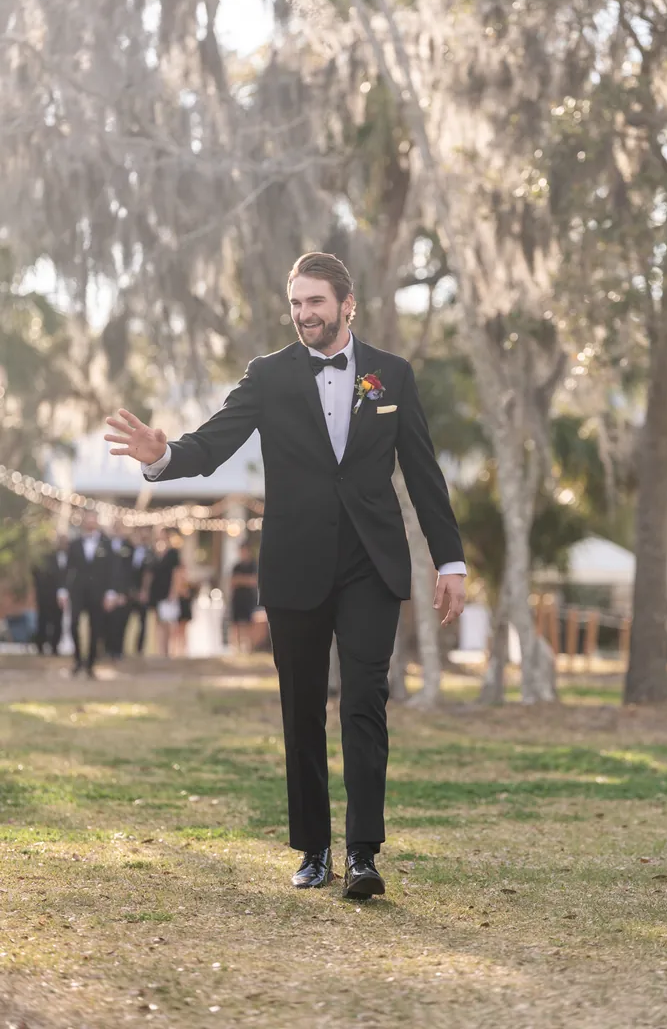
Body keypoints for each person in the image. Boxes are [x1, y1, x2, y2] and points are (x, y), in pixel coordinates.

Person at [105, 251, 466, 899]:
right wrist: (163, 458)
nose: (304, 315)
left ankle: (363, 854)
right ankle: (313, 850)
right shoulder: (268, 377)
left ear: (347, 304)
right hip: (295, 566)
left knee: (364, 702)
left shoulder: (391, 375)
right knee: (301, 709)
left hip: (369, 566)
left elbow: (422, 472)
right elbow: (215, 443)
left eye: (316, 303)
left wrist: (451, 560)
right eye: (296, 304)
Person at [58, 512, 118, 678]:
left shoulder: (106, 544)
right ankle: (78, 660)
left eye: (93, 521)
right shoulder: (75, 544)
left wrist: (111, 592)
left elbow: (112, 570)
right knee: (73, 624)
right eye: (87, 521)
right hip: (77, 591)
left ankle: (91, 663)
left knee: (96, 627)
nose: (90, 524)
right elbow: (67, 568)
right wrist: (62, 590)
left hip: (98, 593)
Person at [147, 530, 183, 657]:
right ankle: (160, 649)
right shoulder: (154, 553)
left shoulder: (173, 554)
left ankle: (167, 650)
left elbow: (177, 573)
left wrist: (174, 591)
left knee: (167, 621)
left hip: (167, 590)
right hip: (156, 591)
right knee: (158, 620)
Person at [32, 535, 68, 655]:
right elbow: (36, 573)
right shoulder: (47, 557)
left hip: (61, 596)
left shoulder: (71, 557)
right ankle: (40, 646)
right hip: (46, 595)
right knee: (43, 620)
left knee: (58, 621)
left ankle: (55, 646)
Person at [108, 520, 135, 660]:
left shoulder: (129, 546)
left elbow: (129, 571)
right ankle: (108, 649)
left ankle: (118, 650)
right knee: (108, 622)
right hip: (108, 592)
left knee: (121, 622)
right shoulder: (105, 544)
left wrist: (123, 592)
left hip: (123, 592)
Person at [229, 541, 259, 652]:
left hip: (248, 599)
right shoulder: (236, 566)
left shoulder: (253, 565)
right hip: (237, 599)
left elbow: (254, 581)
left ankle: (248, 647)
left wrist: (241, 580)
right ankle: (236, 647)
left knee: (248, 623)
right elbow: (232, 581)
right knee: (236, 624)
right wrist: (245, 580)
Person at [130, 528, 153, 655]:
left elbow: (148, 574)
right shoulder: (129, 550)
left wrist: (144, 591)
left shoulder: (149, 553)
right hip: (130, 591)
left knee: (142, 622)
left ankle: (139, 648)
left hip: (142, 592)